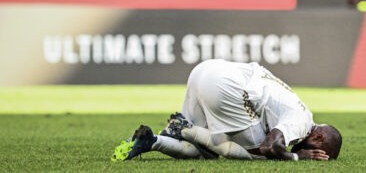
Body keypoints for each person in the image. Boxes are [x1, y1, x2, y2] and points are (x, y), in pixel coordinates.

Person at [112, 59, 342, 161]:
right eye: (321, 153)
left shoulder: (297, 107)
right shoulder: (301, 121)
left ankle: (151, 141)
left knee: (205, 152)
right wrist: (296, 156)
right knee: (258, 157)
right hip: (226, 86)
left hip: (206, 69)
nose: (316, 157)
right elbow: (269, 147)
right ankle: (184, 129)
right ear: (318, 136)